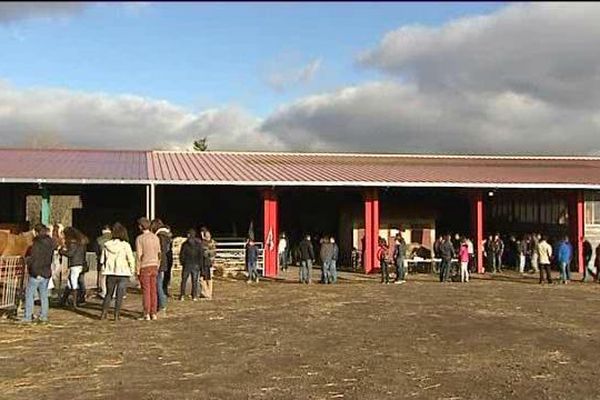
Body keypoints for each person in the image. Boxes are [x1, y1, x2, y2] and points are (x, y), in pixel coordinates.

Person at [100, 223, 135, 321]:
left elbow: (102, 259)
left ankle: (104, 313)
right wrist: (132, 270)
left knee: (108, 294)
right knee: (120, 295)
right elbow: (130, 259)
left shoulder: (107, 245)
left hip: (110, 272)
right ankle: (116, 315)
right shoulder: (125, 245)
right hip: (123, 273)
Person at [21, 224, 56, 323]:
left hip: (36, 273)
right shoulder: (51, 243)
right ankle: (43, 316)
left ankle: (27, 316)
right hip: (46, 272)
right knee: (44, 295)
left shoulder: (36, 244)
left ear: (36, 232)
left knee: (29, 294)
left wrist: (28, 263)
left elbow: (34, 259)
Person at [135, 217, 161, 321]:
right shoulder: (155, 237)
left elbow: (139, 255)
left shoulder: (140, 238)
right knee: (153, 290)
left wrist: (137, 269)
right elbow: (159, 253)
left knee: (146, 291)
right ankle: (153, 312)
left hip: (145, 266)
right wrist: (157, 265)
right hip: (154, 265)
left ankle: (146, 313)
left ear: (141, 226)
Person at [58, 227, 88, 309]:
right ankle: (63, 301)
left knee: (73, 282)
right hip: (80, 263)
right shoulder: (81, 242)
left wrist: (61, 251)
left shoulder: (72, 243)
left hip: (74, 264)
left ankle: (73, 303)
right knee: (70, 282)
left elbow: (70, 254)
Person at [152, 219, 171, 316]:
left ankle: (162, 305)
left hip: (159, 263)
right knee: (159, 284)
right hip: (164, 262)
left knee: (158, 285)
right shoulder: (166, 235)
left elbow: (160, 251)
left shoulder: (160, 236)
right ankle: (161, 305)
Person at [179, 229, 204, 300]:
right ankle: (194, 295)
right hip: (196, 264)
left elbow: (182, 255)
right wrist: (200, 265)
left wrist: (183, 262)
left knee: (184, 280)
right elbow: (201, 255)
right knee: (195, 281)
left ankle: (182, 295)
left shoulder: (185, 244)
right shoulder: (198, 244)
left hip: (187, 264)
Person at [94, 225, 112, 299]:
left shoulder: (99, 239)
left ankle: (104, 292)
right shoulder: (115, 238)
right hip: (113, 260)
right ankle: (113, 293)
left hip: (103, 260)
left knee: (103, 277)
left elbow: (96, 250)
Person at [200, 228, 216, 299]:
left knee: (202, 278)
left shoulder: (204, 244)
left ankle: (206, 292)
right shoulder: (212, 242)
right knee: (209, 278)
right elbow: (214, 253)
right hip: (210, 262)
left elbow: (205, 253)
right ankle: (210, 292)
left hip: (205, 262)